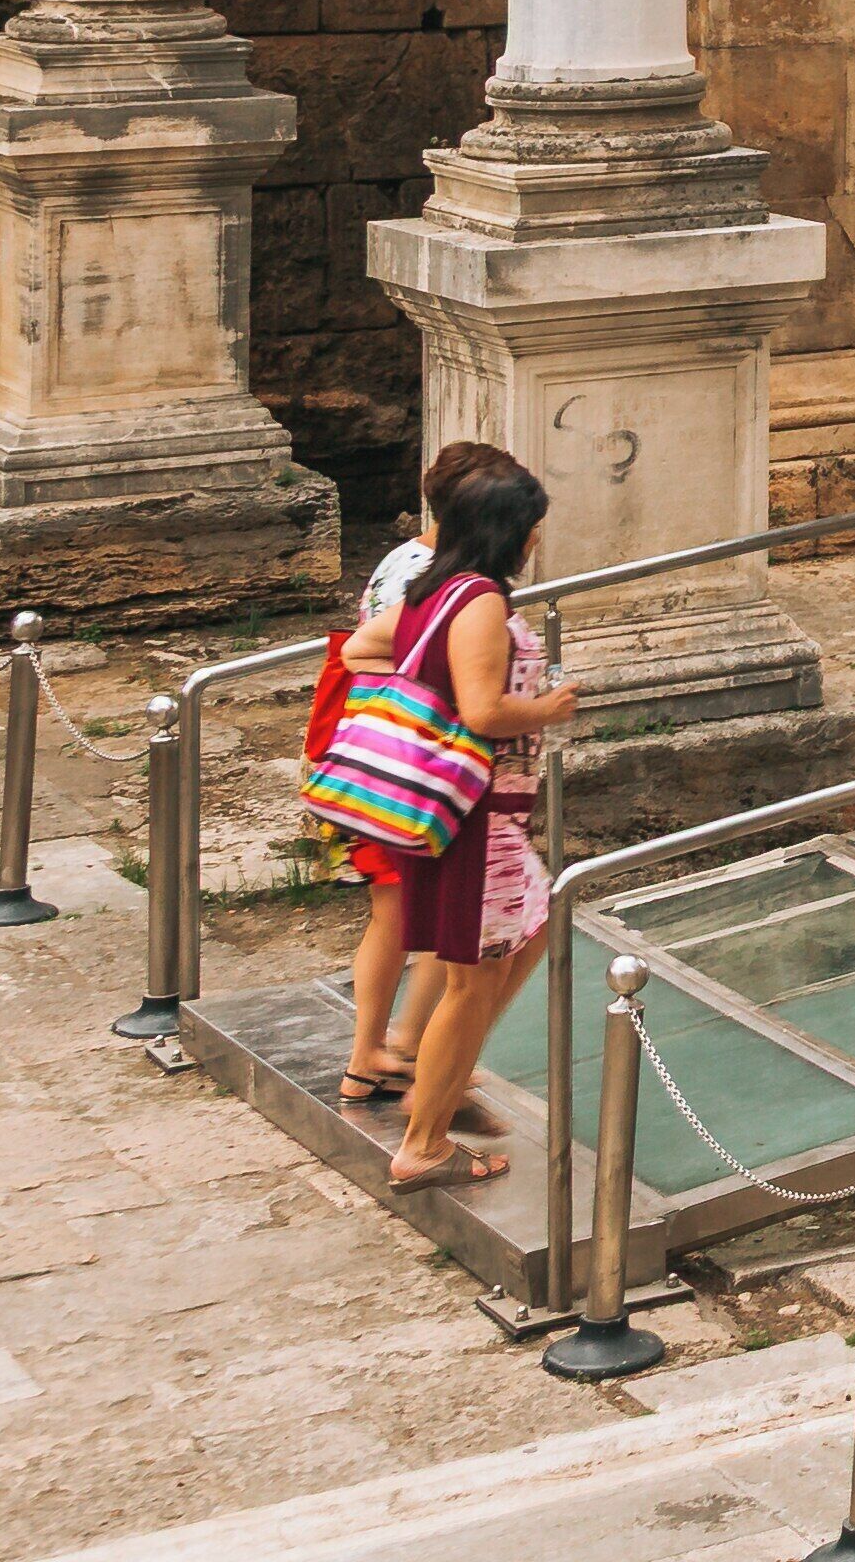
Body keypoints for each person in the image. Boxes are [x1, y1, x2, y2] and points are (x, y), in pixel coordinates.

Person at [336, 455, 576, 1189]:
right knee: (472, 983)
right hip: (477, 822)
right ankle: (426, 1138)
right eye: (529, 528)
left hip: (487, 821)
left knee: (530, 935)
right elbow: (484, 711)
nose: (536, 540)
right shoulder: (476, 602)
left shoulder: (433, 590)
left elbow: (360, 648)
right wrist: (549, 708)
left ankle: (438, 1083)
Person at [321, 437, 525, 1108]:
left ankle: (380, 1054)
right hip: (415, 773)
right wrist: (441, 702)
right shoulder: (444, 577)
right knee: (419, 920)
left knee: (398, 917)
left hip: (386, 764)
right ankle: (407, 1053)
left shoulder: (416, 563)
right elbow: (371, 652)